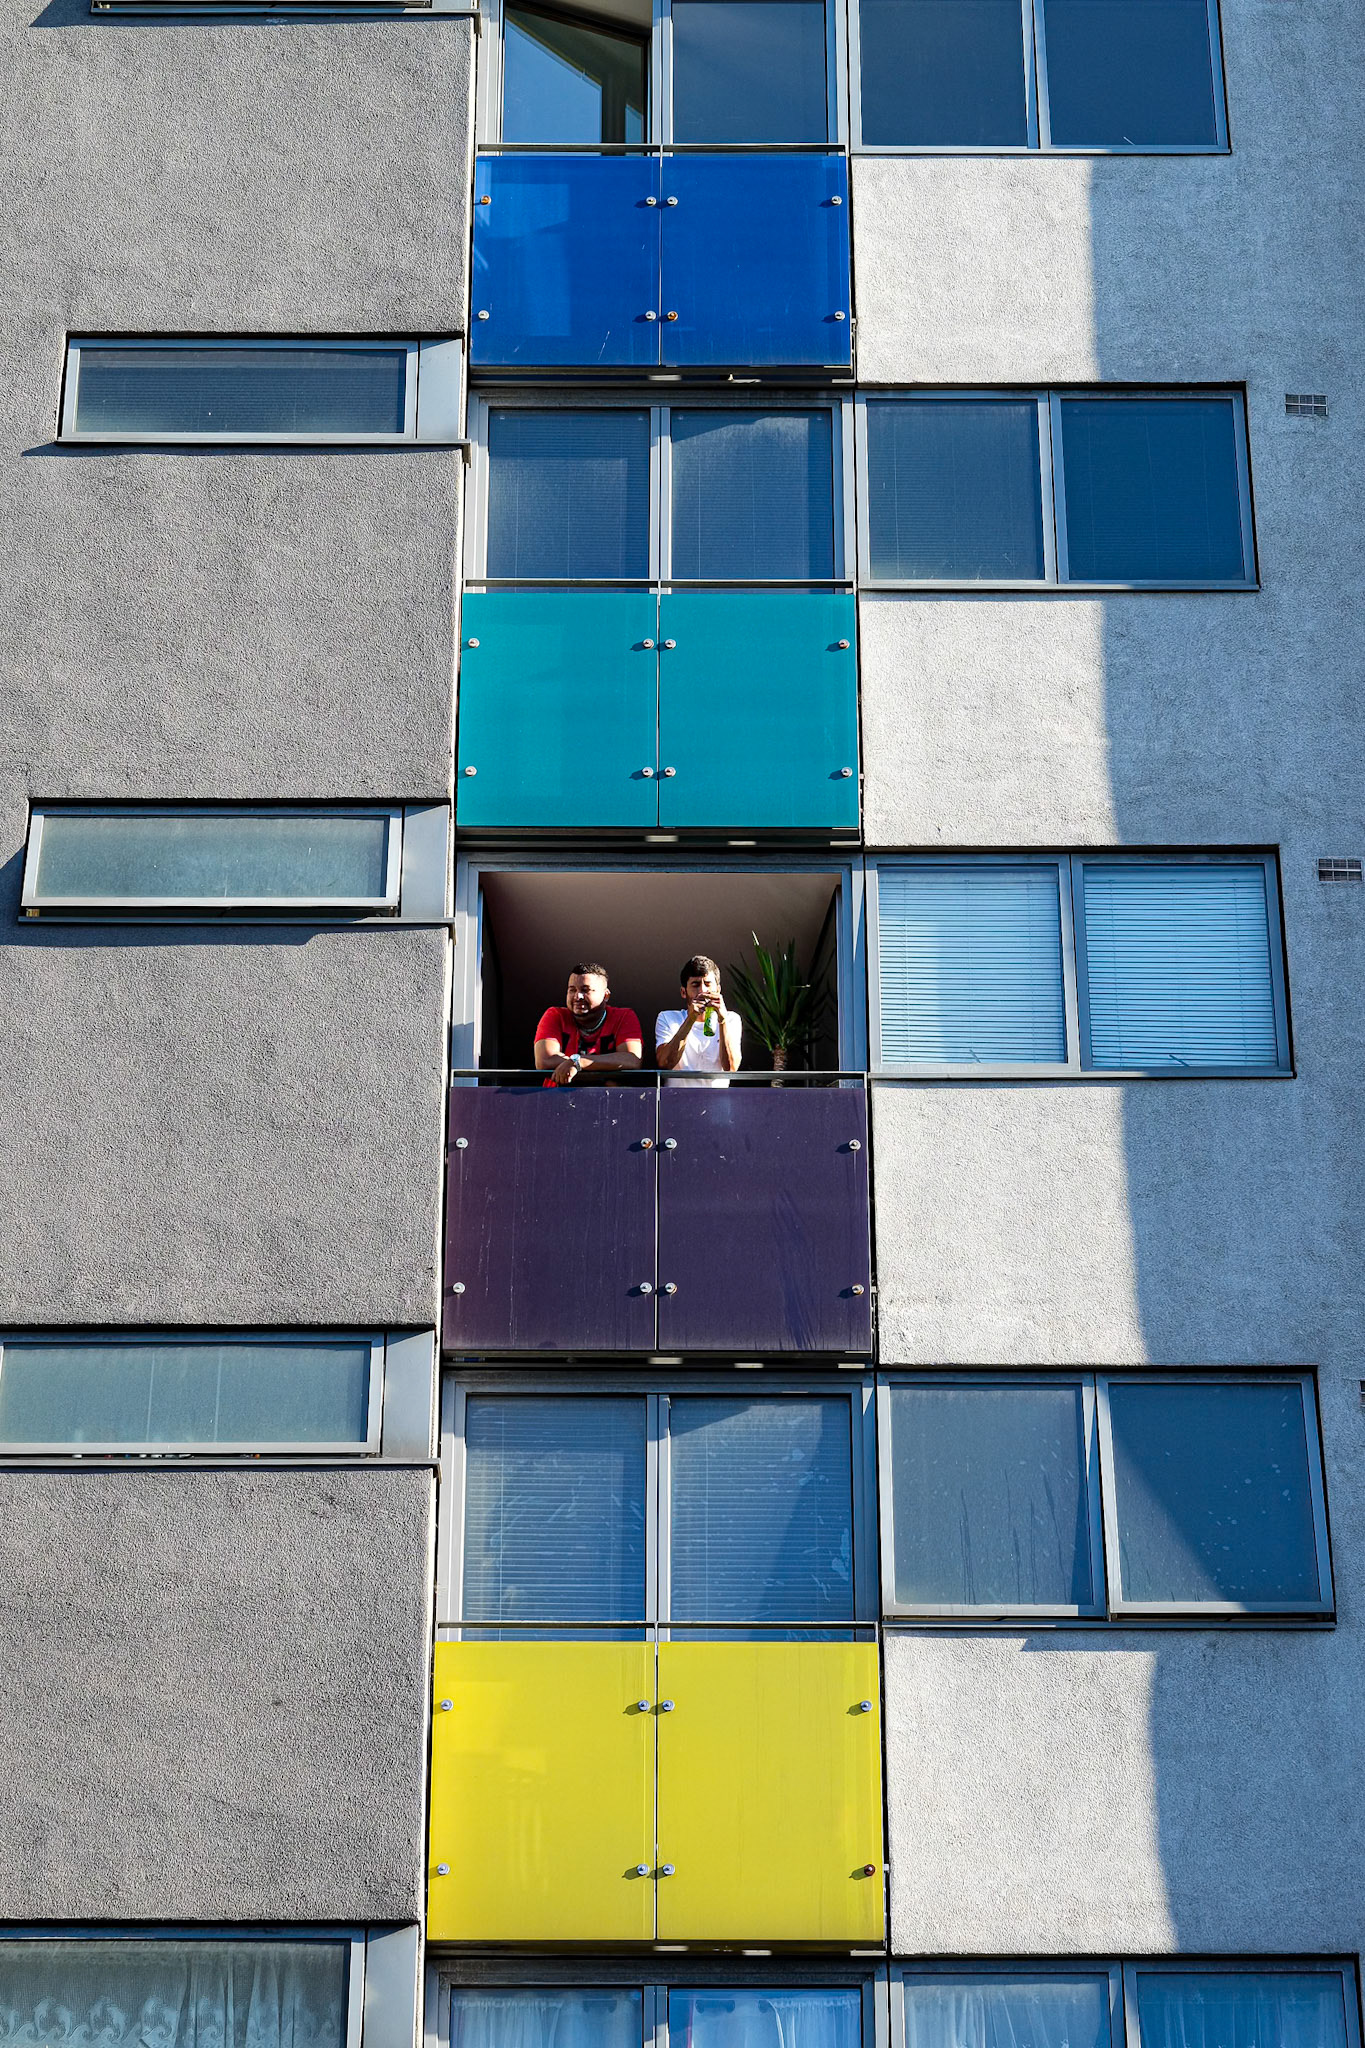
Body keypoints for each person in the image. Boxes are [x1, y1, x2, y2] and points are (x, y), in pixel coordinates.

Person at [534, 963, 643, 1086]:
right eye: (572, 990)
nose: (577, 996)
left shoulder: (623, 1016)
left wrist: (579, 1062)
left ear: (606, 995)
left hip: (607, 1100)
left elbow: (632, 1060)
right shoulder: (555, 1015)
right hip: (557, 1099)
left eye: (585, 990)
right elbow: (545, 1061)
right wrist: (598, 1065)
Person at [655, 955, 743, 1086]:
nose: (702, 991)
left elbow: (731, 1068)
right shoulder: (668, 1018)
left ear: (718, 990)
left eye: (708, 984)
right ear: (683, 992)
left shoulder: (731, 1019)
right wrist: (690, 1020)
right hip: (677, 1101)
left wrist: (722, 1021)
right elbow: (665, 1063)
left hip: (717, 1103)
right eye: (695, 985)